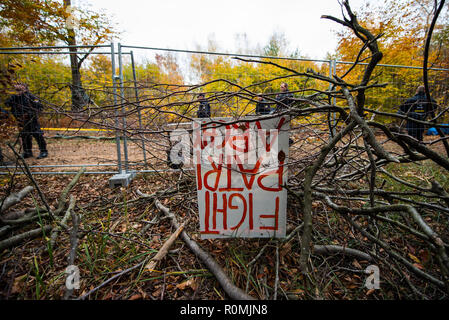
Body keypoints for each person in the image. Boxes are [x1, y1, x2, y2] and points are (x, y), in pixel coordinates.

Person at [5, 83, 48, 159]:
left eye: (19, 86)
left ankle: (43, 151)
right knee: (25, 136)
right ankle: (27, 152)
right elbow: (7, 104)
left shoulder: (30, 97)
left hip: (31, 120)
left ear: (25, 88)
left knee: (37, 134)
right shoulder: (14, 97)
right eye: (16, 87)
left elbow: (40, 107)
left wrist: (29, 114)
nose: (17, 88)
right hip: (20, 121)